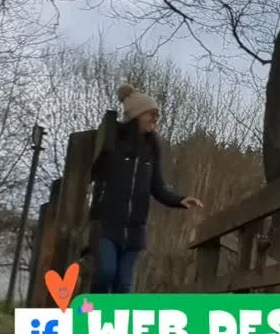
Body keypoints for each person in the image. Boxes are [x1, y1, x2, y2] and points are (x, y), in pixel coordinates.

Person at [87, 84, 203, 293]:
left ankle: (114, 315)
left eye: (157, 115)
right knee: (106, 272)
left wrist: (180, 200)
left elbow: (157, 187)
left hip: (135, 232)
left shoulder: (151, 150)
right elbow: (93, 169)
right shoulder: (114, 144)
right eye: (152, 114)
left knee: (123, 285)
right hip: (109, 226)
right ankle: (93, 308)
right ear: (136, 115)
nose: (156, 119)